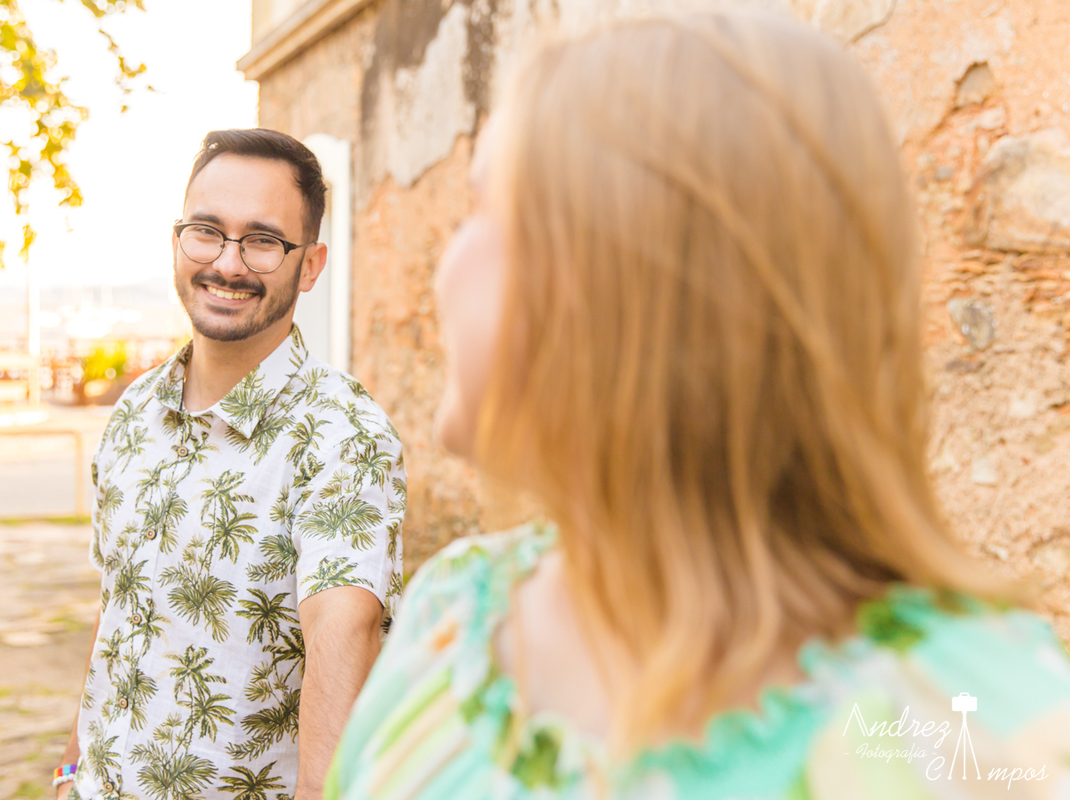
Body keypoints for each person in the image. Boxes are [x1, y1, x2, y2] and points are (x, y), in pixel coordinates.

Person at [325, 13, 1070, 799]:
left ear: (622, 279)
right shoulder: (451, 616)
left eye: (482, 214)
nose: (442, 266)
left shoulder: (978, 732)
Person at [57, 129, 406, 800]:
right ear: (177, 241)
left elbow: (347, 635)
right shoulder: (134, 413)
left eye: (264, 240)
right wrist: (69, 771)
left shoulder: (342, 433)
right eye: (207, 231)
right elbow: (120, 610)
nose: (228, 262)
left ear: (310, 265)